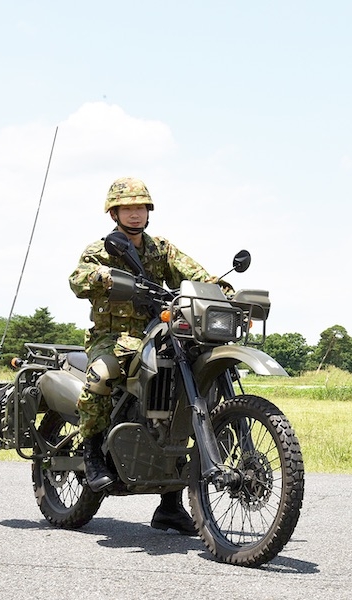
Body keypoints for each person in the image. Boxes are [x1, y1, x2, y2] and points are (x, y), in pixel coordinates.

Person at [68, 176, 214, 535]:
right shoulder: (99, 251)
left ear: (148, 211)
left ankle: (170, 506)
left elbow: (191, 271)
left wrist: (219, 285)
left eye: (140, 207)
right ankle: (91, 452)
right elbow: (77, 279)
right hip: (112, 337)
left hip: (157, 333)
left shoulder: (160, 248)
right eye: (127, 208)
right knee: (102, 375)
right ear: (114, 213)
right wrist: (101, 277)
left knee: (182, 395)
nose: (135, 214)